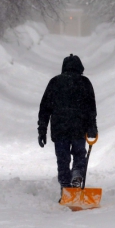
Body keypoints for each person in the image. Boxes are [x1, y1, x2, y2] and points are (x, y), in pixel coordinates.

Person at [37, 54, 97, 190]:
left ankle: (65, 186)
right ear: (80, 67)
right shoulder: (85, 83)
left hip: (60, 130)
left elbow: (45, 108)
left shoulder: (54, 82)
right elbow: (91, 108)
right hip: (79, 128)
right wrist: (92, 127)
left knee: (62, 159)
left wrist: (42, 129)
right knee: (79, 154)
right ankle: (76, 175)